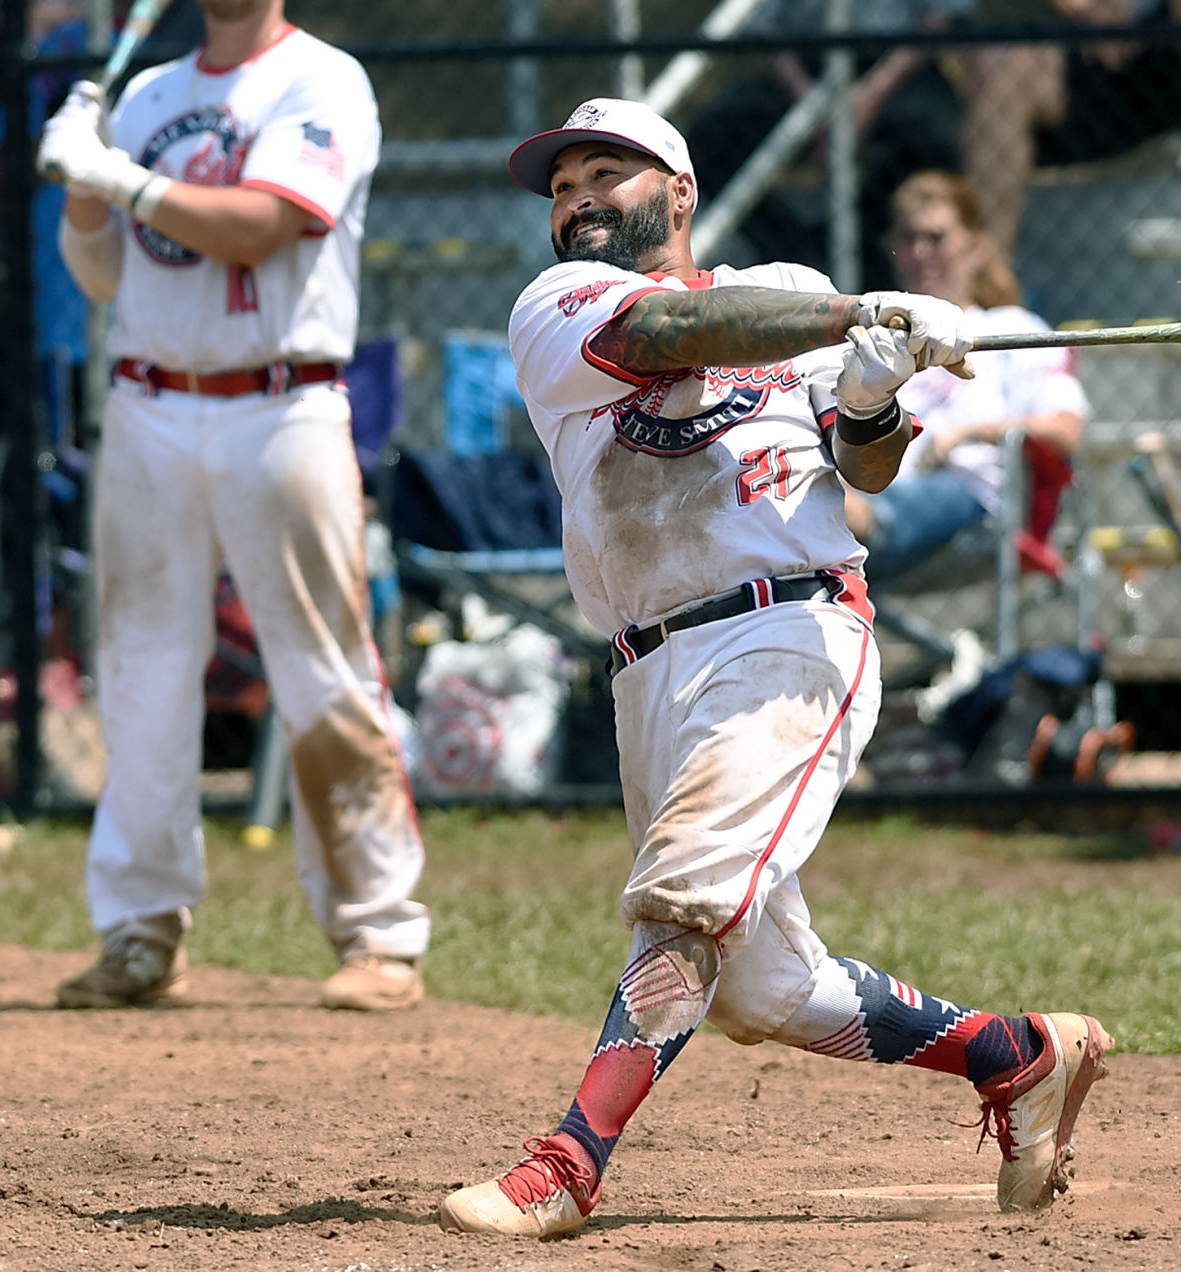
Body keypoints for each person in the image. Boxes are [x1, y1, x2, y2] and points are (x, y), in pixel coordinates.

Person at [435, 96, 1112, 1241]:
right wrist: (854, 313)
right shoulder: (559, 305)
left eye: (608, 173)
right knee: (760, 989)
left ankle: (567, 1164)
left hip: (790, 632)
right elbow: (665, 340)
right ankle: (1019, 1054)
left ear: (681, 193)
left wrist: (871, 391)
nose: (578, 199)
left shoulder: (786, 293)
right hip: (648, 666)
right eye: (561, 187)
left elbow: (870, 468)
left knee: (690, 894)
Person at [34, 0, 430, 1012]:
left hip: (281, 400)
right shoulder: (149, 93)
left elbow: (260, 227)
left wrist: (113, 174)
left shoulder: (322, 79)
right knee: (140, 672)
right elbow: (100, 271)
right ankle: (139, 929)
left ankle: (380, 936)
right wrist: (81, 186)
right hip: (147, 403)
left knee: (322, 666)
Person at [842, 170, 1089, 584]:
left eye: (935, 238)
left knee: (836, 519)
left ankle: (833, 518)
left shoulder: (1015, 328)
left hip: (974, 496)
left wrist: (966, 434)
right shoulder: (876, 344)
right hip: (881, 486)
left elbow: (1066, 430)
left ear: (976, 248)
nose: (920, 252)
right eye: (907, 239)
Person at [684, 0, 974, 288]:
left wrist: (871, 94)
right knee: (709, 138)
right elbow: (762, 26)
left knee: (936, 132)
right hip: (800, 68)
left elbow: (944, 15)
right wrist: (807, 104)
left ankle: (872, 250)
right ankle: (797, 252)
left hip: (895, 64)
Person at [963, 0, 1181, 257]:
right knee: (1003, 73)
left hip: (1175, 56)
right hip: (1082, 63)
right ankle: (987, 271)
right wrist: (1089, 10)